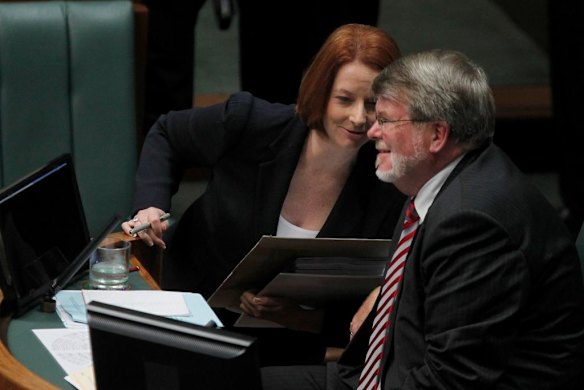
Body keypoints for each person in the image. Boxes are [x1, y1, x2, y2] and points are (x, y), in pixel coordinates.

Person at [261, 49, 584, 389]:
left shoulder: (472, 222)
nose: (371, 131)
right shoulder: (437, 177)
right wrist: (383, 291)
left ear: (436, 135)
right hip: (391, 373)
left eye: (385, 120)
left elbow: (454, 380)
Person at [121, 23, 405, 365]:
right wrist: (151, 205)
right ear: (319, 90)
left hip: (284, 354)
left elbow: (368, 314)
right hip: (191, 312)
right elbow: (167, 134)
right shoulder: (251, 122)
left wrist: (301, 317)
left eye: (373, 103)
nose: (359, 118)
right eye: (344, 99)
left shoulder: (389, 183)